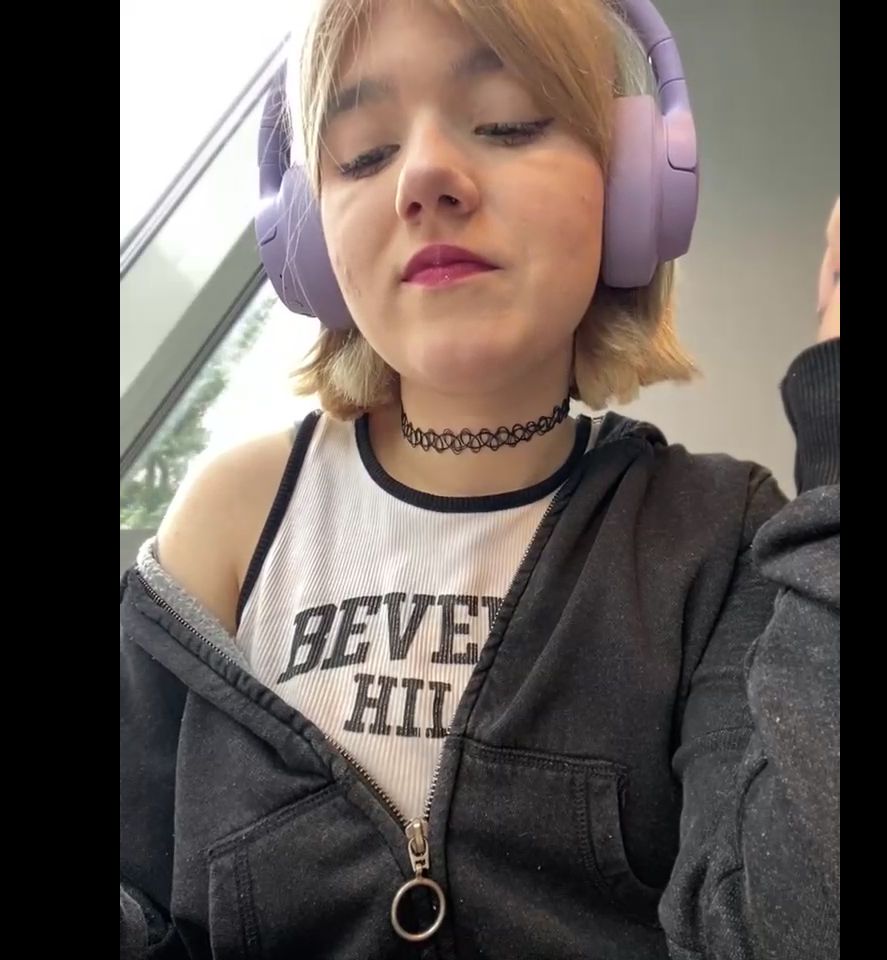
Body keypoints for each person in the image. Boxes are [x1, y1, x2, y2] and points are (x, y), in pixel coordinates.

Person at [119, 0, 840, 957]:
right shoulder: (229, 520)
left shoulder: (718, 533)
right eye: (365, 155)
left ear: (634, 183)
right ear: (307, 236)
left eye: (507, 122)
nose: (422, 177)